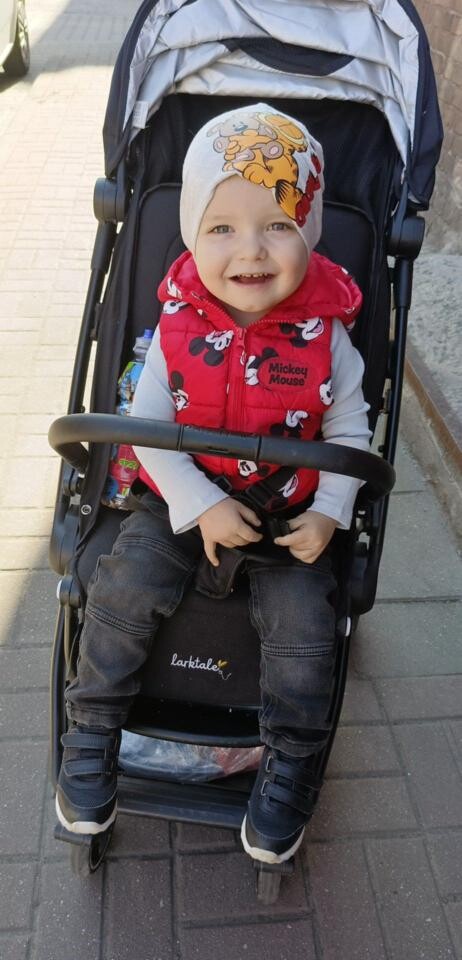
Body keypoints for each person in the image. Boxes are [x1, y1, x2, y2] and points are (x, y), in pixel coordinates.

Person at [56, 103, 371, 864]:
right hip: (178, 502)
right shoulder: (174, 331)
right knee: (121, 589)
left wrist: (330, 513)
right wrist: (200, 504)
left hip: (286, 519)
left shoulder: (329, 337)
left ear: (310, 232)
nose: (251, 250)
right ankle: (92, 730)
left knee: (304, 629)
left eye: (279, 225)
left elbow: (350, 434)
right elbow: (146, 430)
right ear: (192, 235)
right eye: (222, 227)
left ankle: (290, 762)